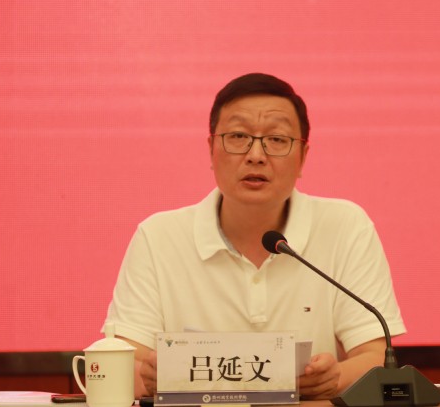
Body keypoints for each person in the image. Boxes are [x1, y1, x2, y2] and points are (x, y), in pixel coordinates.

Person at [103, 73, 406, 400]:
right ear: (211, 149)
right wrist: (150, 375)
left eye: (276, 139)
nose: (256, 155)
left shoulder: (345, 226)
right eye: (238, 136)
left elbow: (375, 357)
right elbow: (124, 364)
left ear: (303, 157)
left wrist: (335, 378)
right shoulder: (159, 237)